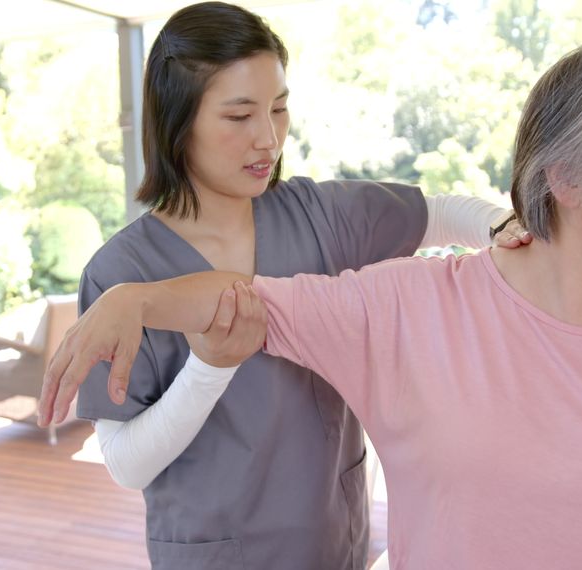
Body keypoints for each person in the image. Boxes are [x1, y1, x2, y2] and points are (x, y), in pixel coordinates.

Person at [41, 41, 582, 568]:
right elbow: (244, 303)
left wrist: (494, 222)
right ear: (570, 177)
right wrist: (135, 301)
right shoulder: (409, 309)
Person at [36, 2, 528, 569]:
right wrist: (210, 367)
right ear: (178, 121)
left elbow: (439, 212)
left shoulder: (319, 215)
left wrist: (501, 228)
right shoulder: (122, 271)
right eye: (239, 116)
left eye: (280, 108)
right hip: (213, 555)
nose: (268, 139)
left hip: (333, 541)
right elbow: (125, 462)